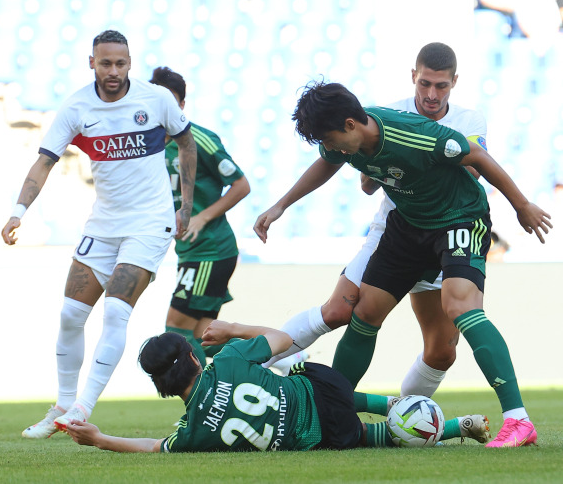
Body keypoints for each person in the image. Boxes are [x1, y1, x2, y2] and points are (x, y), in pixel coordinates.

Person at [278, 80, 551, 448]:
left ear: (349, 125)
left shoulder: (418, 135)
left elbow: (478, 156)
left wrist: (521, 206)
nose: (329, 148)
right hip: (408, 224)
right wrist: (280, 206)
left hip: (459, 217)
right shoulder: (348, 140)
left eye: (328, 139)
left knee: (459, 305)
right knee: (365, 310)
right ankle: (332, 411)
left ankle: (518, 421)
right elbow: (325, 165)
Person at [256, 43, 487, 397]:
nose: (431, 94)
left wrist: (410, 159)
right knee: (338, 310)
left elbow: (472, 170)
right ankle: (256, 363)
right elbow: (352, 170)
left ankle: (407, 413)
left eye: (441, 86)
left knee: (442, 351)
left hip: (446, 230)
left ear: (454, 82)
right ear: (414, 76)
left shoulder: (469, 121)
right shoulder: (385, 115)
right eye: (425, 83)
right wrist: (281, 205)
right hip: (393, 231)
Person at [1, 30, 197, 439]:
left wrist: (185, 205)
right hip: (104, 224)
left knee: (115, 311)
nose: (113, 71)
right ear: (91, 62)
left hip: (149, 223)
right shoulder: (77, 107)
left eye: (120, 63)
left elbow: (186, 144)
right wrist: (18, 211)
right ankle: (61, 403)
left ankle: (81, 409)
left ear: (130, 63)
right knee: (71, 315)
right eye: (105, 63)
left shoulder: (155, 99)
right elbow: (43, 163)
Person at [65, 321, 490, 452]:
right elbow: (284, 339)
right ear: (194, 356)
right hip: (322, 389)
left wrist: (100, 439)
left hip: (319, 437)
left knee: (367, 438)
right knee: (305, 371)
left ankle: (455, 427)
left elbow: (153, 446)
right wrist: (232, 330)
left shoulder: (192, 433)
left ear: (161, 387)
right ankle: (393, 403)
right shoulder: (228, 360)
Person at [148, 66, 251, 367]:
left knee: (176, 330)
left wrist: (202, 217)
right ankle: (277, 356)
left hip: (210, 249)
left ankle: (199, 406)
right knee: (205, 339)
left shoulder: (199, 140)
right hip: (190, 252)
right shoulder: (146, 146)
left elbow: (241, 185)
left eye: (170, 101)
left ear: (180, 106)